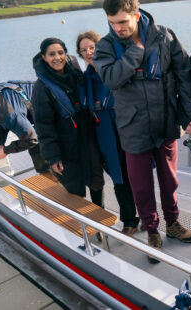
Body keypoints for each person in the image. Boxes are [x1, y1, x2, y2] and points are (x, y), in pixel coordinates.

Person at [94, 0, 191, 263]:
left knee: (170, 181)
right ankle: (152, 231)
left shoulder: (164, 35)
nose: (117, 28)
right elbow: (111, 79)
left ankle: (172, 224)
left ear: (136, 16)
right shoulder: (106, 46)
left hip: (165, 121)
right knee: (141, 187)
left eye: (122, 22)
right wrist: (134, 53)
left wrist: (188, 116)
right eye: (112, 22)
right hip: (132, 127)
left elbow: (183, 75)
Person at [76, 30, 139, 236]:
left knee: (137, 178)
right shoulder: (85, 79)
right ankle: (129, 221)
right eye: (83, 50)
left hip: (125, 131)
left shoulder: (115, 69)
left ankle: (145, 218)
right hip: (104, 138)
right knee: (120, 180)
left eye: (92, 47)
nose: (88, 52)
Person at [31, 37, 105, 211]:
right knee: (75, 190)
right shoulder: (41, 87)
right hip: (65, 148)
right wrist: (52, 157)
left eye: (60, 53)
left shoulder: (76, 74)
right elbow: (43, 125)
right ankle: (82, 226)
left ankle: (99, 215)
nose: (57, 58)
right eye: (51, 54)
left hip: (87, 140)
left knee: (96, 181)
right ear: (44, 57)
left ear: (66, 53)